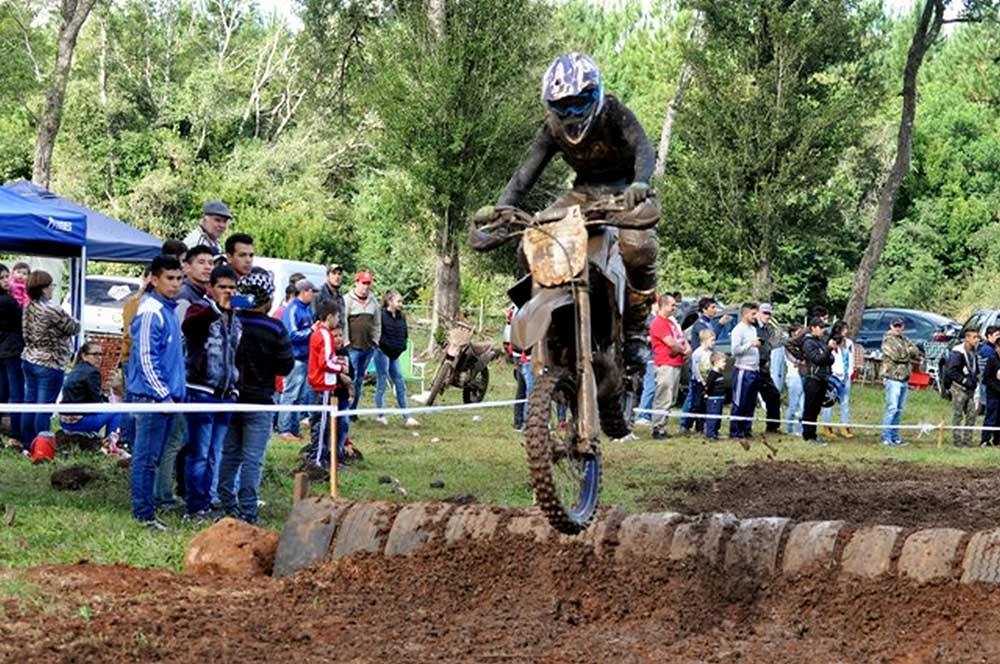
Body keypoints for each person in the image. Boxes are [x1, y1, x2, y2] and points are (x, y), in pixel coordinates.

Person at [478, 52, 659, 369]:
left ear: (595, 93)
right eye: (563, 105)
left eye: (579, 101)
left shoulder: (613, 113)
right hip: (582, 193)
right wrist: (503, 209)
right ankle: (545, 315)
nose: (573, 111)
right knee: (532, 241)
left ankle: (636, 331)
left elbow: (643, 145)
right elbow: (525, 172)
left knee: (638, 248)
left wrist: (641, 182)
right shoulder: (552, 128)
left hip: (624, 191)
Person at [218, 270, 294, 524]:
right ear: (267, 300)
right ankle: (248, 511)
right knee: (252, 459)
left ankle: (226, 505)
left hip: (230, 397)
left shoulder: (230, 321)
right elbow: (285, 366)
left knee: (229, 454)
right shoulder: (275, 328)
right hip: (260, 399)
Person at [127, 255, 186, 531]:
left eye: (179, 279)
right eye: (170, 279)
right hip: (152, 400)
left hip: (167, 399)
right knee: (146, 459)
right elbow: (146, 357)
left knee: (154, 458)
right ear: (154, 279)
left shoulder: (168, 311)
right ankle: (143, 514)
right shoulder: (151, 310)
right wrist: (163, 395)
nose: (175, 284)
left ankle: (148, 509)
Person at [181, 265, 242, 520]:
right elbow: (190, 326)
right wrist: (218, 309)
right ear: (211, 288)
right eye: (222, 287)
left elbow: (238, 354)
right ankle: (195, 506)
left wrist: (237, 386)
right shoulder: (199, 309)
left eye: (232, 288)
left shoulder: (236, 318)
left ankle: (208, 500)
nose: (228, 292)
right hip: (201, 390)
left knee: (215, 452)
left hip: (226, 392)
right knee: (199, 452)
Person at [21, 270, 81, 454]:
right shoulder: (52, 310)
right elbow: (74, 327)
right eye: (51, 286)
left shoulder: (28, 307)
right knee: (44, 406)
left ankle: (27, 444)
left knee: (30, 403)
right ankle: (42, 448)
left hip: (30, 358)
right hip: (50, 362)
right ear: (44, 289)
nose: (53, 290)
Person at [303, 301, 351, 475]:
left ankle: (319, 457)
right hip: (323, 384)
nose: (338, 320)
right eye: (337, 316)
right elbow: (325, 362)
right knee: (322, 424)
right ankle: (317, 459)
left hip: (320, 382)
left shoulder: (319, 334)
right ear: (330, 316)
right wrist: (339, 368)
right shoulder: (324, 335)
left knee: (320, 422)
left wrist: (335, 362)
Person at [679, 298, 730, 432]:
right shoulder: (700, 324)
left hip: (707, 364)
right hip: (699, 365)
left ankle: (698, 424)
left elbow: (712, 338)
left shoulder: (709, 323)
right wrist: (720, 324)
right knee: (693, 396)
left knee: (700, 398)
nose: (715, 310)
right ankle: (685, 423)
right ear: (704, 310)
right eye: (712, 307)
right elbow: (709, 337)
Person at [278, 279, 317, 440]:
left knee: (300, 396)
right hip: (295, 358)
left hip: (305, 357)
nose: (313, 295)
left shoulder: (306, 309)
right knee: (290, 394)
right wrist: (311, 330)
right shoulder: (293, 309)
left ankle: (294, 428)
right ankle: (284, 429)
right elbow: (291, 334)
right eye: (312, 291)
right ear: (304, 291)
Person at [58, 341, 120, 442]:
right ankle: (110, 444)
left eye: (101, 354)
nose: (99, 358)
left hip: (64, 421)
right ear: (84, 356)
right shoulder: (93, 372)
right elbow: (96, 402)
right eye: (95, 354)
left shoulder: (76, 369)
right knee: (116, 411)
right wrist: (106, 397)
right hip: (79, 421)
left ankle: (90, 437)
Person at [374, 289, 419, 426]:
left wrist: (402, 346)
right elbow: (377, 333)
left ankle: (407, 416)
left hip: (396, 354)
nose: (401, 304)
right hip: (382, 352)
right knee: (382, 382)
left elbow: (404, 333)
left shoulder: (401, 317)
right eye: (398, 301)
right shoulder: (381, 315)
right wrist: (383, 345)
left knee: (400, 383)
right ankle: (380, 415)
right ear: (389, 301)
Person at [650, 293, 688, 440]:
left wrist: (686, 349)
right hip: (665, 364)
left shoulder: (671, 323)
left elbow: (680, 339)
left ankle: (663, 427)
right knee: (663, 397)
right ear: (664, 305)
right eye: (672, 305)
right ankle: (657, 428)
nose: (674, 308)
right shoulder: (658, 323)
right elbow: (671, 342)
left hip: (676, 363)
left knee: (671, 398)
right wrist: (682, 349)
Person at [880, 317, 922, 448]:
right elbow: (896, 356)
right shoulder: (887, 339)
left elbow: (916, 351)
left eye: (900, 326)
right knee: (891, 408)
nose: (897, 328)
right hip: (892, 378)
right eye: (895, 325)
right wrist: (907, 352)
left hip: (904, 378)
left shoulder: (904, 339)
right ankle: (886, 437)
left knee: (899, 409)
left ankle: (895, 436)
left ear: (903, 327)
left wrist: (907, 352)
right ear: (891, 326)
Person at [343, 271, 381, 416]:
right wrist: (346, 342)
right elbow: (344, 321)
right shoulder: (348, 300)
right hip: (352, 346)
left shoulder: (373, 301)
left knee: (359, 380)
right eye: (363, 283)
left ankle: (353, 410)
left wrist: (375, 340)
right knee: (350, 378)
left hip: (368, 346)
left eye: (368, 283)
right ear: (356, 283)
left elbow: (377, 323)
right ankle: (345, 409)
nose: (366, 286)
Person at [0, 264, 25, 445]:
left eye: (8, 276)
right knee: (16, 392)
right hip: (12, 349)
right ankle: (16, 433)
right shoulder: (8, 302)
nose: (7, 281)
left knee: (1, 391)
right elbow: (20, 322)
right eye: (2, 278)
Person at [729, 302, 761, 440]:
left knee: (750, 402)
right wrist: (750, 344)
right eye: (753, 314)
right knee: (740, 401)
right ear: (745, 313)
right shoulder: (738, 330)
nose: (755, 316)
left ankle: (747, 429)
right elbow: (735, 351)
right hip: (743, 369)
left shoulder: (753, 329)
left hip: (755, 369)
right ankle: (736, 431)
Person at [801, 318, 835, 445]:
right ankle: (807, 435)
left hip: (823, 378)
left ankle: (813, 434)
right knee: (810, 408)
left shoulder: (821, 342)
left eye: (824, 327)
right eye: (821, 327)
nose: (823, 330)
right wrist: (828, 350)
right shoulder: (808, 343)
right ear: (813, 328)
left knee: (816, 409)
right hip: (812, 379)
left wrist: (827, 351)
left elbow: (830, 359)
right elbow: (817, 359)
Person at [946, 328, 980, 448]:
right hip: (959, 388)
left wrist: (975, 379)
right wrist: (964, 381)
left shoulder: (974, 351)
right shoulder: (957, 352)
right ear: (967, 338)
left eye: (977, 337)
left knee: (972, 415)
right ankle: (957, 441)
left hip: (971, 389)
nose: (977, 340)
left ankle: (968, 440)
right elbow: (951, 371)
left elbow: (975, 368)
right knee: (958, 414)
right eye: (974, 337)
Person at [822, 320, 856, 438]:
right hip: (833, 375)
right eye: (844, 329)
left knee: (845, 401)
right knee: (829, 401)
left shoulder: (849, 343)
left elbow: (851, 358)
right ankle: (827, 426)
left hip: (846, 375)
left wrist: (850, 371)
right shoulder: (830, 342)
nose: (846, 331)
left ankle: (845, 426)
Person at [685, 329, 715, 433]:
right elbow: (695, 368)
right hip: (698, 383)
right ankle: (687, 425)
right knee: (696, 404)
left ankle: (700, 427)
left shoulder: (710, 353)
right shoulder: (697, 353)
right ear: (705, 340)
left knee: (704, 405)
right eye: (712, 340)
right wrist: (700, 380)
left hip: (706, 381)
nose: (713, 343)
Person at [783, 324, 806, 435]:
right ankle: (789, 428)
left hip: (803, 376)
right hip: (793, 376)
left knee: (803, 405)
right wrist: (802, 362)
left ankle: (800, 429)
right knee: (793, 405)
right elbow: (793, 360)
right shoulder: (788, 345)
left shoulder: (802, 345)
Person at [980, 326, 1000, 447]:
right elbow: (986, 378)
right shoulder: (992, 359)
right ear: (997, 348)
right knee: (991, 416)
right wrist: (997, 388)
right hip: (993, 394)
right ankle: (985, 439)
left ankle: (997, 439)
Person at [704, 352, 727, 441]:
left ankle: (716, 431)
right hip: (714, 399)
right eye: (723, 362)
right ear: (716, 362)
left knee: (718, 416)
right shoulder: (712, 374)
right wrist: (707, 394)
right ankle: (710, 433)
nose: (725, 364)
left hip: (720, 398)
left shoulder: (720, 374)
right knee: (713, 416)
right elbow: (708, 385)